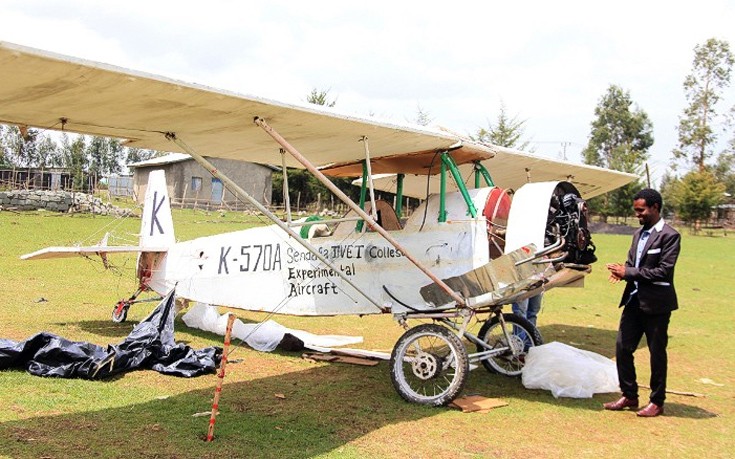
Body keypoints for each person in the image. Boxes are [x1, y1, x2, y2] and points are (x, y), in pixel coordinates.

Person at [604, 188, 681, 417]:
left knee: (657, 353)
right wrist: (622, 272)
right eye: (636, 211)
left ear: (655, 207)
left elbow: (663, 271)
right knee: (622, 347)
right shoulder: (638, 234)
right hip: (634, 300)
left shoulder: (670, 236)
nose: (638, 215)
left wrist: (629, 272)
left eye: (641, 210)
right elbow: (632, 262)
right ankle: (629, 395)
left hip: (657, 304)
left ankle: (657, 401)